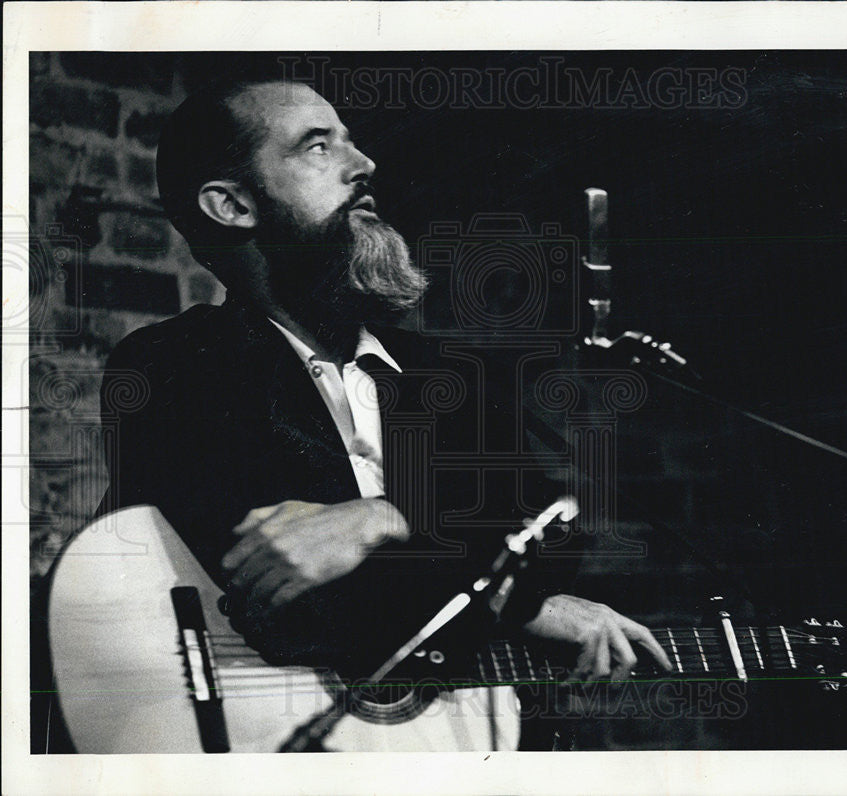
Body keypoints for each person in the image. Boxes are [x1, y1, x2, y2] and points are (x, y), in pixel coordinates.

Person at [98, 77, 671, 734]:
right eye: (318, 146)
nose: (365, 164)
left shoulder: (451, 374)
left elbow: (551, 540)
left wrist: (385, 521)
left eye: (351, 141)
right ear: (232, 205)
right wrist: (518, 594)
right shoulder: (175, 363)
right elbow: (287, 598)